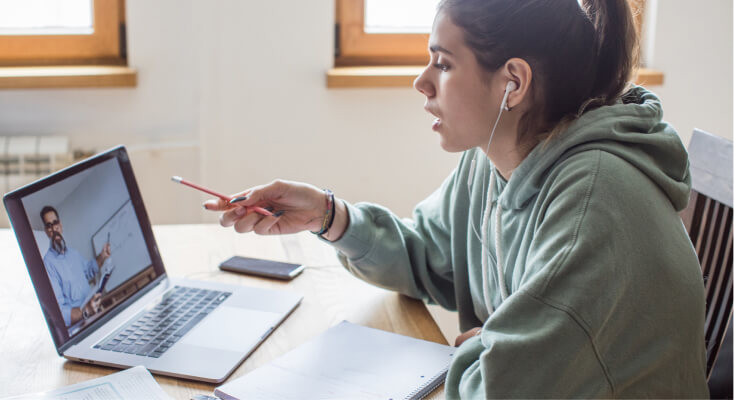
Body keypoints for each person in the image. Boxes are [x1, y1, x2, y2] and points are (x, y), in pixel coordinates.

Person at [205, 0, 709, 397]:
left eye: (442, 64)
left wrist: (488, 349)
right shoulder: (493, 158)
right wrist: (330, 216)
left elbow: (501, 389)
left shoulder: (593, 204)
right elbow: (430, 255)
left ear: (513, 82)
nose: (421, 82)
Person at [41, 206, 111, 326]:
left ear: (60, 224)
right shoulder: (48, 264)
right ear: (46, 231)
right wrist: (86, 311)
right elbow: (59, 313)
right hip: (81, 326)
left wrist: (103, 256)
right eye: (49, 225)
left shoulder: (74, 253)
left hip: (96, 314)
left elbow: (89, 270)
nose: (54, 228)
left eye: (55, 223)